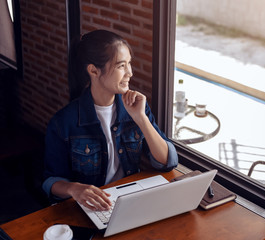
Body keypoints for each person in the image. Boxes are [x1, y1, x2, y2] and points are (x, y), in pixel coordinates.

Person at [42, 29, 178, 211]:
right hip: (93, 208)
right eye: (121, 66)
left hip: (131, 201)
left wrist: (141, 118)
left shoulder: (137, 108)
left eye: (129, 64)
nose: (130, 72)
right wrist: (73, 188)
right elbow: (50, 181)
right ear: (93, 70)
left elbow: (167, 161)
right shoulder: (63, 122)